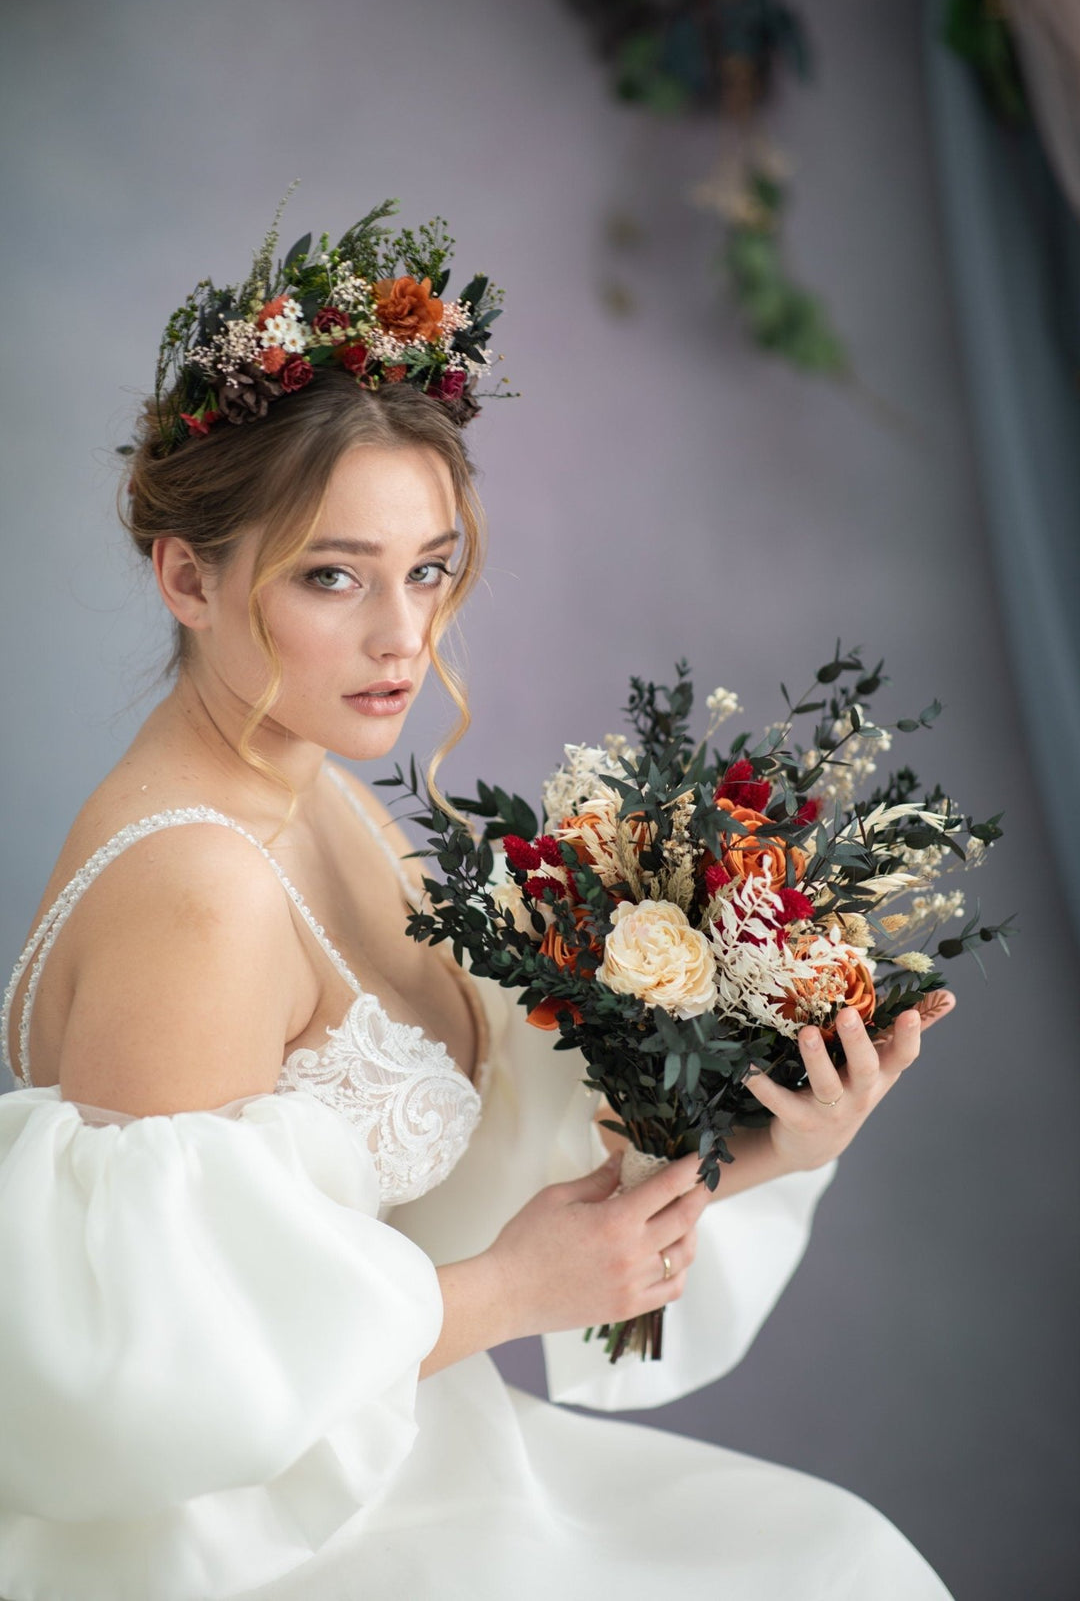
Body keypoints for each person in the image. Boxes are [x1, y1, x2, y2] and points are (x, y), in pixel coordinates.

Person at [0, 201, 957, 1601]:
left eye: (429, 572)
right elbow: (161, 1388)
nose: (404, 640)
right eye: (335, 578)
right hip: (275, 1543)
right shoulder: (195, 892)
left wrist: (757, 1146)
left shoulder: (308, 781)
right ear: (187, 575)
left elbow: (431, 1200)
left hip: (420, 1456)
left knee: (842, 1561)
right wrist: (516, 1294)